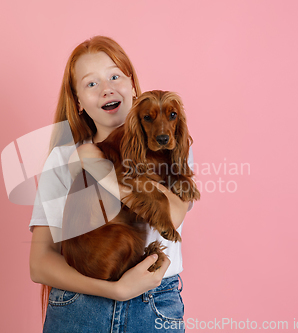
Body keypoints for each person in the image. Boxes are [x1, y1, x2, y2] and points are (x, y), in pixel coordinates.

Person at [29, 35, 194, 332]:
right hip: (78, 307)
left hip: (154, 306)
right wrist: (115, 291)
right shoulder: (63, 157)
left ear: (132, 84)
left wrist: (99, 167)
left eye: (114, 76)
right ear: (78, 101)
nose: (106, 89)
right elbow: (40, 263)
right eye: (91, 83)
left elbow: (172, 215)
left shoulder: (168, 142)